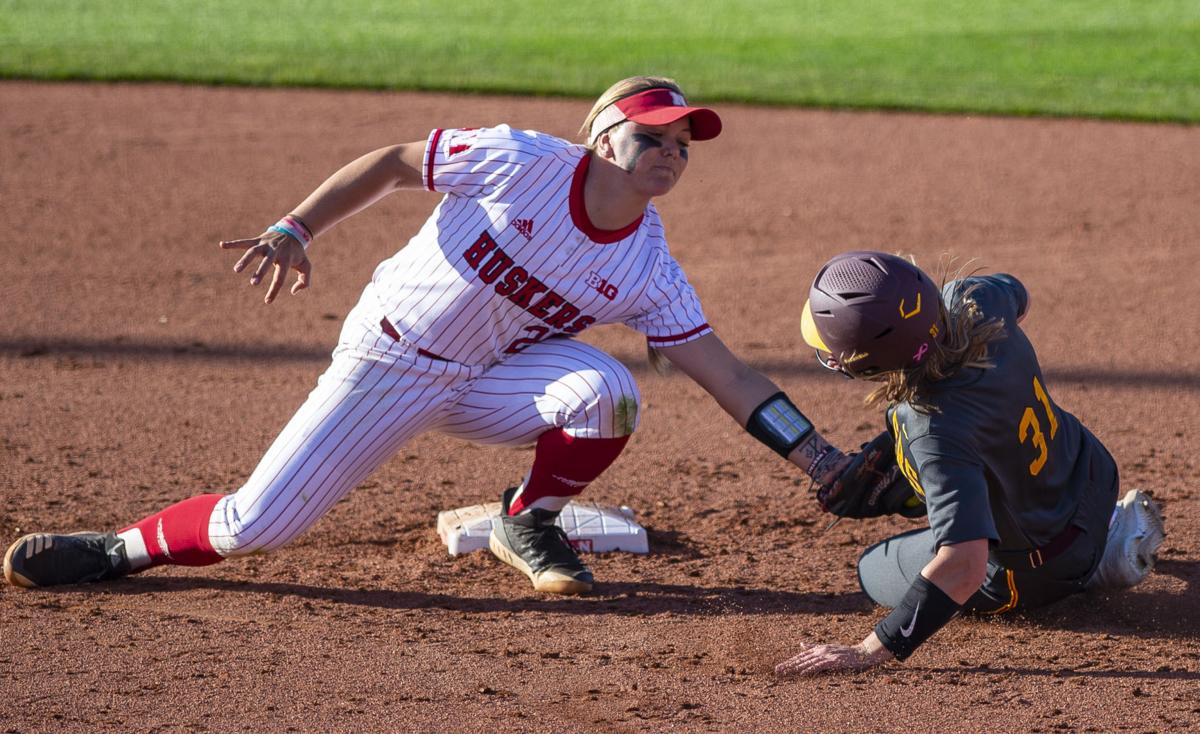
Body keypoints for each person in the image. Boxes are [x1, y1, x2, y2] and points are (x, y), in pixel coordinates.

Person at [5, 76, 867, 596]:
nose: (672, 152)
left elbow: (725, 373)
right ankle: (116, 548)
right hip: (389, 359)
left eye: (684, 144)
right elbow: (391, 161)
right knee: (254, 526)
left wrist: (819, 459)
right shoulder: (517, 160)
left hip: (490, 378)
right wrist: (295, 228)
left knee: (608, 394)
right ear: (603, 135)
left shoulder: (648, 266)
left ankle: (527, 521)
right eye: (653, 136)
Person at [774, 251, 1166, 677]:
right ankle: (1110, 525)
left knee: (872, 569)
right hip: (1095, 477)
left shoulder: (931, 430)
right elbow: (1019, 294)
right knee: (981, 458)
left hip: (1048, 564)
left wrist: (868, 650)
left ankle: (1099, 563)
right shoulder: (973, 297)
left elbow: (964, 566)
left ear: (860, 365)